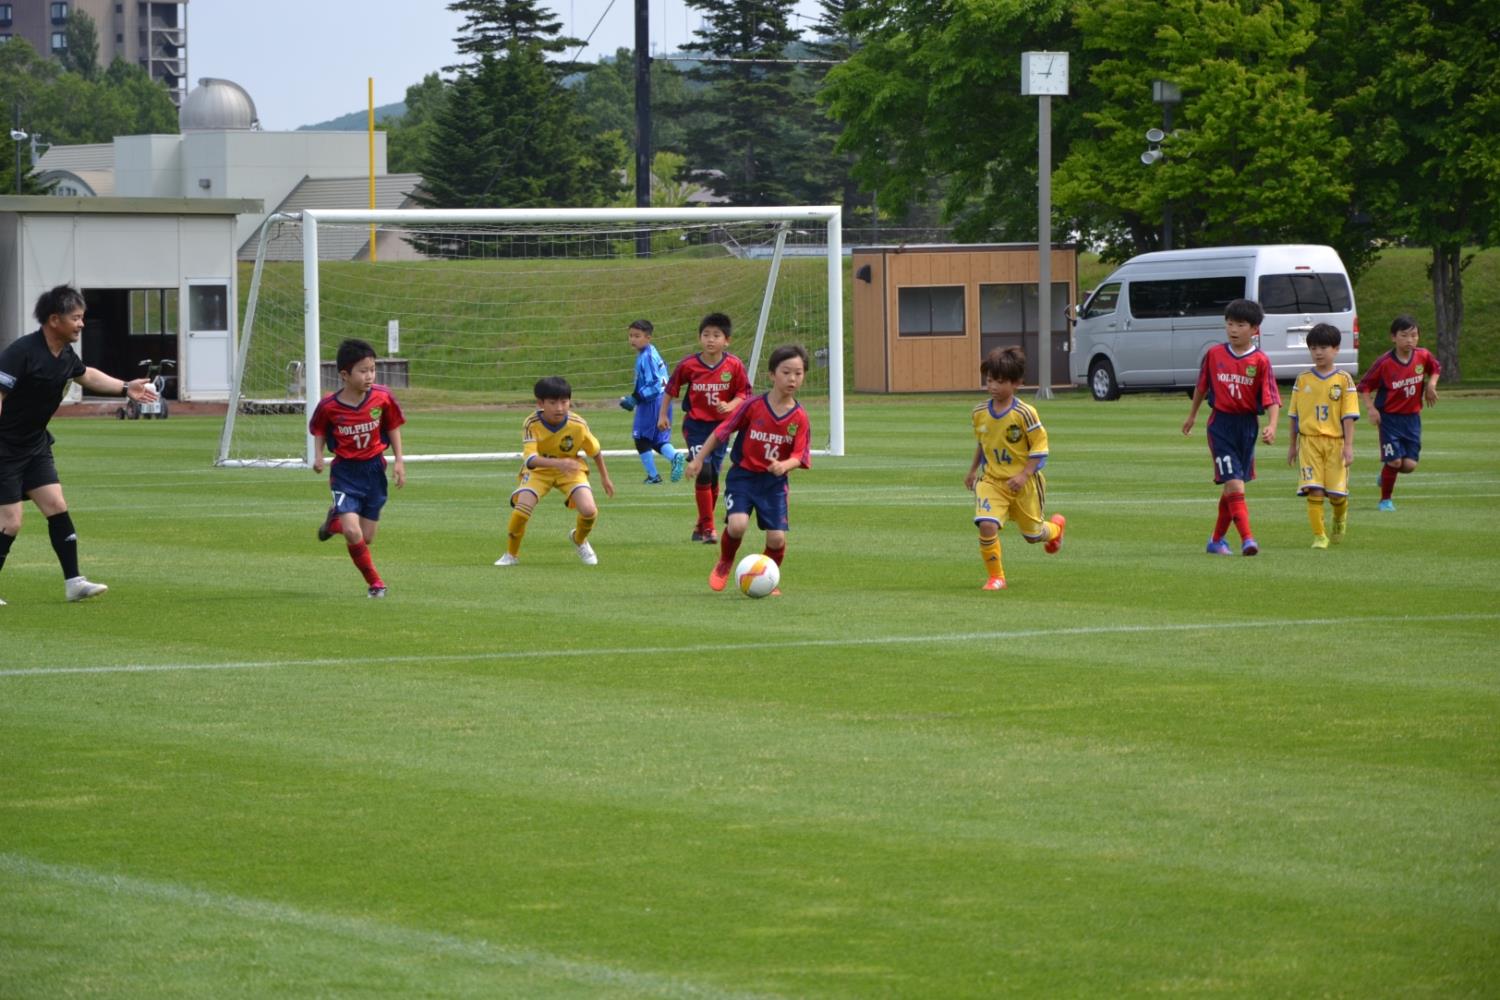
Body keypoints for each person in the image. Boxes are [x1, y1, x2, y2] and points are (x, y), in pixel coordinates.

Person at [0, 285, 157, 605]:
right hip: (4, 449)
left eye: (82, 318)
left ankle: (74, 582)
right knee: (10, 522)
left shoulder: (64, 354)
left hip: (34, 445)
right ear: (54, 319)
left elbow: (86, 376)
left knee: (56, 506)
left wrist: (126, 387)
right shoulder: (21, 352)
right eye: (76, 318)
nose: (81, 324)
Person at [684, 344, 810, 593]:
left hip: (773, 484)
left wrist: (784, 465)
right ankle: (725, 561)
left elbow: (800, 455)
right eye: (786, 372)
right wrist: (699, 459)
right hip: (743, 477)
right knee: (738, 524)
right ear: (772, 375)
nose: (792, 378)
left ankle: (767, 576)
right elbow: (721, 431)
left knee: (777, 538)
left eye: (798, 373)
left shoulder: (799, 417)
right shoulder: (753, 406)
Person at [1182, 297, 1282, 556]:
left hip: (1247, 427)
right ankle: (1248, 539)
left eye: (1240, 324)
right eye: (1229, 324)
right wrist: (1192, 415)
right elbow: (1202, 386)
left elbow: (1271, 396)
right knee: (1236, 485)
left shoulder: (1260, 361)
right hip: (1221, 425)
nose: (1233, 330)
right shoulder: (1214, 354)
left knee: (1232, 487)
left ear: (1254, 329)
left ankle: (1216, 540)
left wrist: (1272, 425)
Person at [963, 347, 1066, 591]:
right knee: (986, 524)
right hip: (992, 482)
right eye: (989, 380)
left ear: (1016, 383)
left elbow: (1040, 448)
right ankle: (996, 577)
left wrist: (1023, 474)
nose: (993, 386)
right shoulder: (979, 413)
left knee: (1032, 535)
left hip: (1024, 484)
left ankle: (1056, 529)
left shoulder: (1025, 413)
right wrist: (972, 471)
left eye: (1000, 381)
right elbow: (983, 443)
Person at [310, 338, 406, 598]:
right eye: (363, 371)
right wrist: (318, 455)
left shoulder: (382, 397)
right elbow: (318, 429)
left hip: (375, 471)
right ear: (344, 374)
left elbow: (394, 425)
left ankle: (335, 521)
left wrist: (399, 460)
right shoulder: (329, 406)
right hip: (345, 474)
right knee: (354, 533)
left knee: (366, 537)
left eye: (372, 369)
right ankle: (376, 583)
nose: (369, 376)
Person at [497, 375, 615, 566]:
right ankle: (511, 555)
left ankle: (579, 539)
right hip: (539, 472)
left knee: (589, 511)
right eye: (553, 403)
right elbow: (530, 460)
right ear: (540, 403)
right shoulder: (531, 423)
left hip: (571, 471)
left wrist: (605, 478)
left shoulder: (578, 424)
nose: (559, 408)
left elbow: (596, 451)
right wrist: (559, 464)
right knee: (522, 510)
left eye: (564, 402)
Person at [661, 311, 751, 543]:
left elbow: (744, 393)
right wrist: (663, 415)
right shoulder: (689, 365)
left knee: (712, 478)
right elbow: (671, 389)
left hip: (722, 429)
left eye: (716, 335)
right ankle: (710, 528)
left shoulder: (734, 365)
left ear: (726, 340)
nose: (711, 339)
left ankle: (701, 523)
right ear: (700, 338)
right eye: (706, 334)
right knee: (704, 471)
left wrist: (730, 405)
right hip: (696, 427)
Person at [1285, 323, 1359, 548]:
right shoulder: (1303, 379)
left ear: (1336, 349)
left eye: (1323, 347)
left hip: (1335, 443)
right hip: (1308, 443)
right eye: (1314, 348)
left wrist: (1348, 446)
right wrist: (1292, 445)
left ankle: (1339, 517)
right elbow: (1294, 415)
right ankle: (1319, 536)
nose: (1318, 352)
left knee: (1336, 495)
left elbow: (1348, 416)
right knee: (1314, 489)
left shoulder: (1344, 380)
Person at [1358, 314, 1440, 511]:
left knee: (1409, 465)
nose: (1409, 340)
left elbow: (1435, 368)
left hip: (1412, 418)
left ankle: (1385, 475)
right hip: (1389, 419)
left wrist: (1431, 384)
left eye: (1413, 335)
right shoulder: (1385, 363)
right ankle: (1385, 500)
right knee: (1395, 461)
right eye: (1404, 335)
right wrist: (1371, 409)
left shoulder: (1423, 356)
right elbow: (1364, 386)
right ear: (1393, 337)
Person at [618, 319, 686, 484]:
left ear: (648, 337)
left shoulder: (647, 357)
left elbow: (655, 384)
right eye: (631, 336)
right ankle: (675, 456)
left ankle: (654, 476)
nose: (633, 339)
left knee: (641, 438)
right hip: (664, 400)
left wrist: (635, 399)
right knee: (657, 440)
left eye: (637, 336)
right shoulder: (651, 352)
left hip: (653, 402)